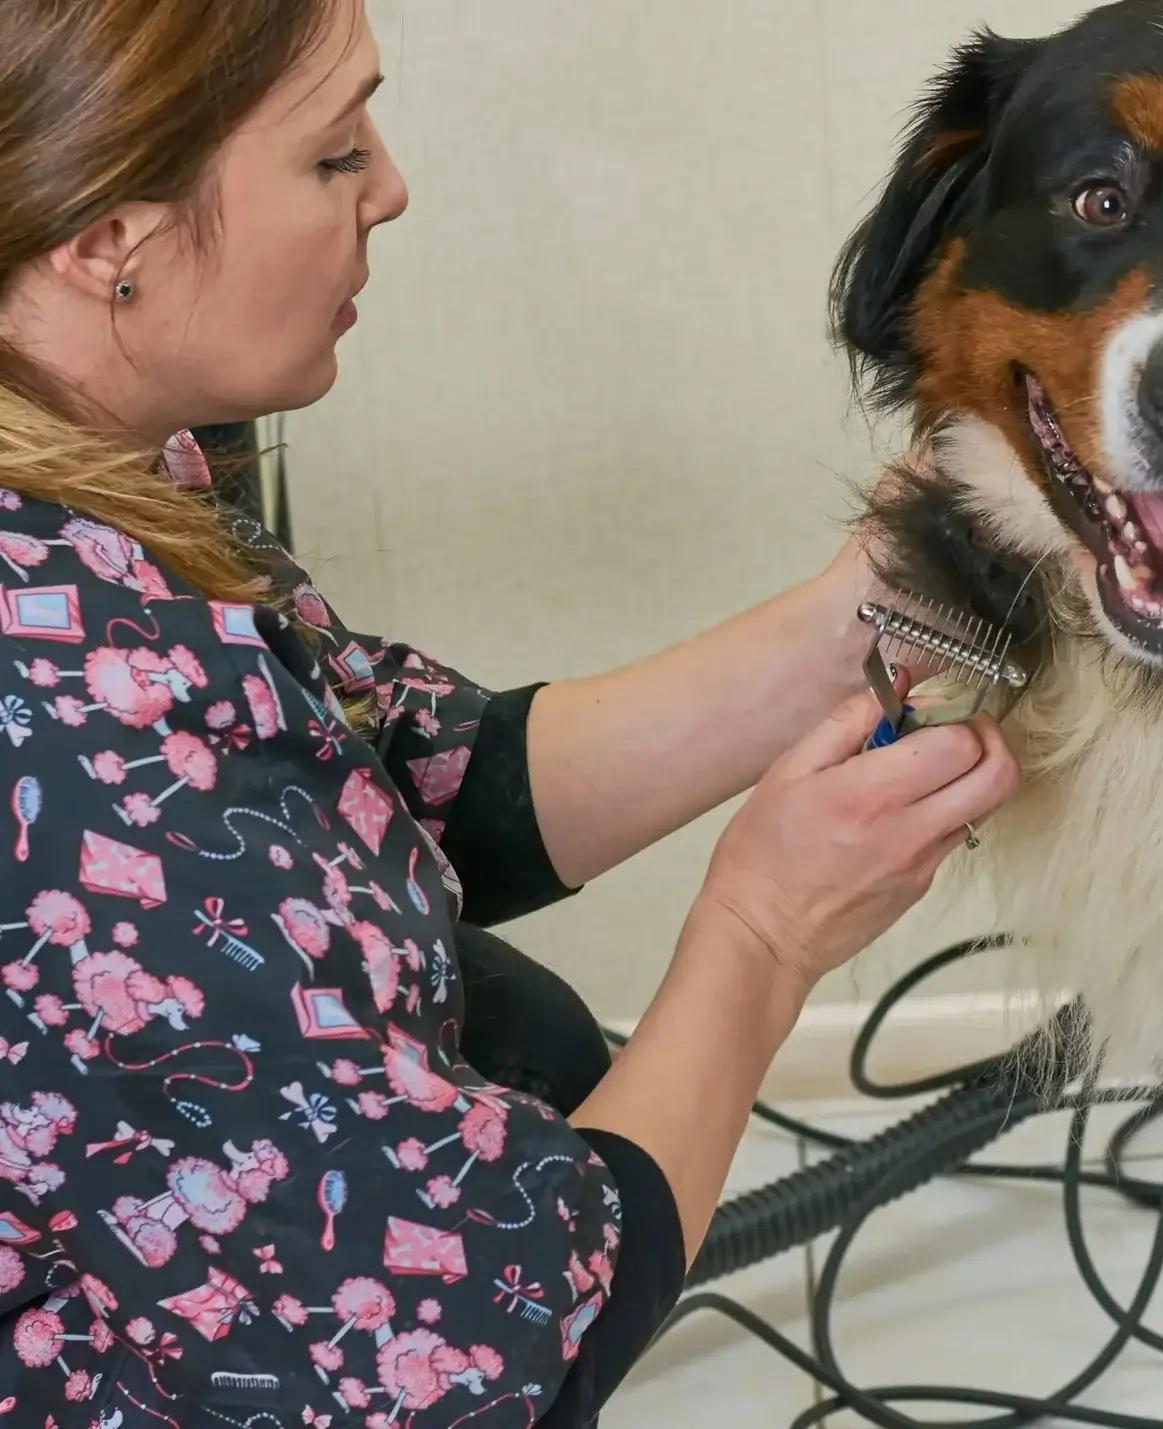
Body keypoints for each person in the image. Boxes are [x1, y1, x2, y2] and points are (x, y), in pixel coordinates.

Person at [0, 2, 1018, 1425]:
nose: (394, 187)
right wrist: (761, 930)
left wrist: (871, 602)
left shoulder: (98, 487)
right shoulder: (77, 739)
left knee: (522, 1027)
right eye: (332, 153)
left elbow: (400, 785)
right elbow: (475, 1349)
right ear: (108, 231)